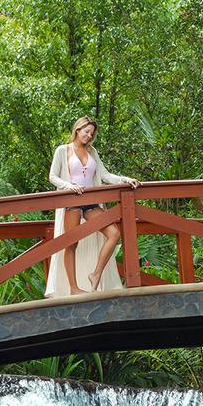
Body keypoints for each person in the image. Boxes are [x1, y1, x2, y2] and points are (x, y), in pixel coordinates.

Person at [44, 116, 140, 297]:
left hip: (91, 202)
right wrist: (69, 186)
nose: (89, 135)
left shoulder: (92, 152)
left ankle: (95, 274)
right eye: (86, 131)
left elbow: (105, 175)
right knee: (71, 244)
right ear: (77, 130)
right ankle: (73, 288)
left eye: (92, 133)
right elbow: (52, 176)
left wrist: (125, 179)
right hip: (71, 201)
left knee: (114, 234)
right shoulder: (63, 150)